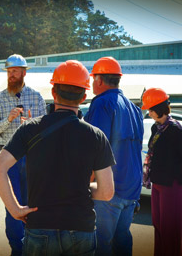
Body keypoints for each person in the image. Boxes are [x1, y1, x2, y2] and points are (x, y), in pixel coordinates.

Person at [0, 60, 115, 256]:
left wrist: (14, 209)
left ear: (53, 92)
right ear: (83, 97)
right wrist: (80, 188)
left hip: (40, 225)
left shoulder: (29, 129)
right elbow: (107, 192)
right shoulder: (96, 136)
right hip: (81, 227)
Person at [84, 56, 144, 256]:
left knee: (101, 244)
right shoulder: (134, 109)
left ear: (99, 80)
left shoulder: (102, 103)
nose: (92, 83)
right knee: (122, 241)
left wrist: (86, 181)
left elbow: (96, 147)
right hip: (132, 188)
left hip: (110, 189)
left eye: (93, 79)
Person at [0, 54, 46, 255]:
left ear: (23, 72)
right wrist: (8, 119)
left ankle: (34, 246)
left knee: (34, 204)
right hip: (8, 161)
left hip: (31, 159)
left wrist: (29, 126)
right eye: (9, 72)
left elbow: (45, 130)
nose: (11, 75)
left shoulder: (36, 97)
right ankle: (17, 249)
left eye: (14, 72)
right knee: (12, 206)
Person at [141, 88, 182, 256]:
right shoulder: (156, 128)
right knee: (158, 226)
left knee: (170, 230)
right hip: (157, 182)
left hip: (172, 185)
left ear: (159, 108)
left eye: (150, 109)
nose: (148, 112)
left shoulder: (175, 130)